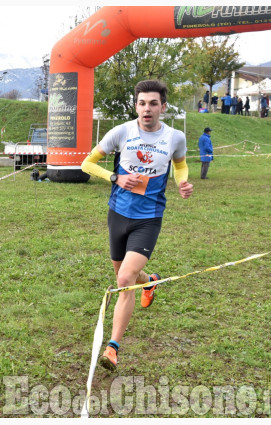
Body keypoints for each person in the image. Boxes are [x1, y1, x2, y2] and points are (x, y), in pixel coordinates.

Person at [80, 80, 194, 371]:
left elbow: (180, 164)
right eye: (142, 103)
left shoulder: (175, 137)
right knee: (126, 275)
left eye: (153, 103)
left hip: (149, 217)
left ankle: (113, 348)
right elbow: (87, 163)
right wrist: (114, 177)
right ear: (136, 106)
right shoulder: (121, 132)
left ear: (163, 107)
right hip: (118, 213)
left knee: (123, 282)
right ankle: (150, 281)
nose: (147, 109)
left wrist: (182, 182)